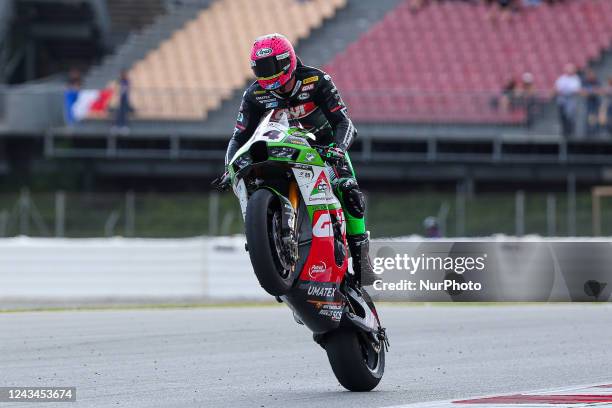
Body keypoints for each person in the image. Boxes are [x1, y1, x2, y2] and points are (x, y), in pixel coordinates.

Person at [214, 33, 373, 287]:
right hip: (282, 150)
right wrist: (228, 168)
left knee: (350, 192)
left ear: (287, 62)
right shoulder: (254, 95)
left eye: (271, 68)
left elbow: (345, 122)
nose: (266, 76)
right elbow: (239, 136)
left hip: (323, 147)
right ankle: (271, 240)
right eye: (260, 69)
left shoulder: (316, 80)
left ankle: (362, 262)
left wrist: (338, 150)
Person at [554, 64, 581, 138]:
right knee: (563, 117)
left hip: (571, 102)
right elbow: (558, 89)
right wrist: (566, 91)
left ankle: (571, 133)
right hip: (562, 101)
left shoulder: (576, 78)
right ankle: (564, 132)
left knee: (571, 117)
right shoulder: (562, 78)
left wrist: (566, 91)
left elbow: (575, 90)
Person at [581, 68, 601, 137]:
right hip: (588, 102)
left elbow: (599, 91)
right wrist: (591, 92)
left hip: (596, 101)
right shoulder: (585, 82)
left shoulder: (597, 81)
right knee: (589, 116)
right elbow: (583, 92)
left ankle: (596, 131)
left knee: (596, 116)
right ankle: (588, 131)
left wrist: (590, 92)